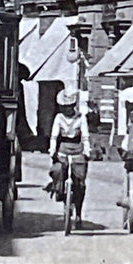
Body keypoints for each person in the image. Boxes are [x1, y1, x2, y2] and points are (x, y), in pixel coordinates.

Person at [47, 89, 90, 230]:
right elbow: (54, 136)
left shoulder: (81, 117)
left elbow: (85, 136)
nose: (67, 109)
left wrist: (87, 150)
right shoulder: (59, 118)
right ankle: (59, 191)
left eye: (70, 106)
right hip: (63, 148)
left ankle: (78, 213)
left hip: (77, 148)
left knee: (80, 182)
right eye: (64, 106)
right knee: (58, 170)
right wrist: (52, 149)